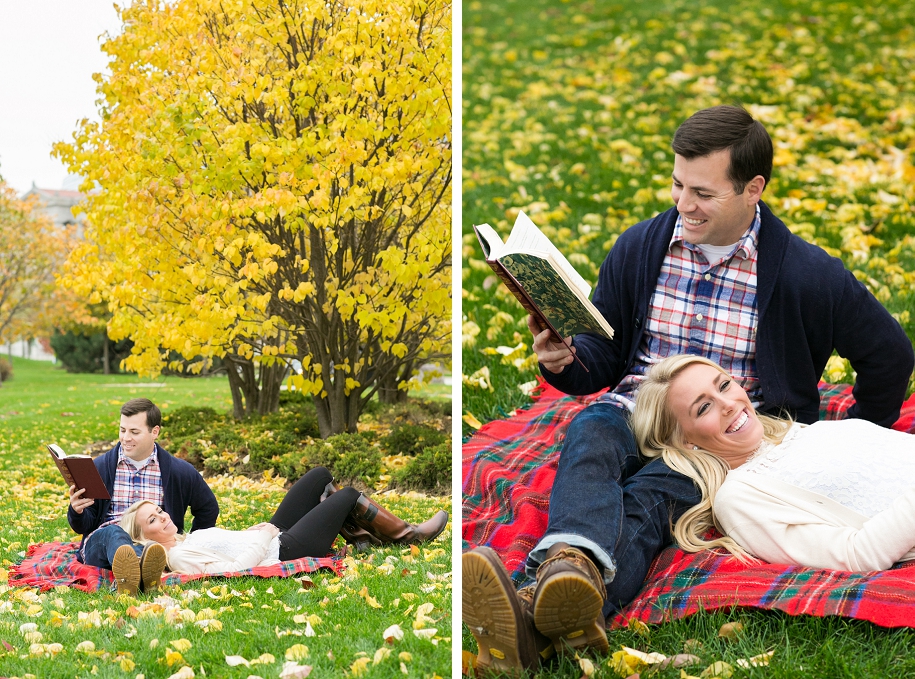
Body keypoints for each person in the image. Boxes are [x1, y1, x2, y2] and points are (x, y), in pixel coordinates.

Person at [462, 104, 914, 674]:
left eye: (701, 192)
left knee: (651, 501)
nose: (682, 204)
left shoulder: (806, 274)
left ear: (753, 189)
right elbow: (602, 356)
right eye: (677, 184)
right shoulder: (641, 247)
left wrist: (859, 429)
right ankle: (569, 565)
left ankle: (536, 606)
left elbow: (890, 354)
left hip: (716, 431)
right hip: (636, 404)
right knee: (590, 436)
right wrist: (564, 359)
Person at [632, 353, 915, 572]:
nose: (729, 403)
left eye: (725, 385)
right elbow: (858, 555)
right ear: (685, 442)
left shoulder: (796, 433)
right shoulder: (738, 498)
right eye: (704, 407)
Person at [119, 466, 449, 574]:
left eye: (159, 511)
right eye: (153, 520)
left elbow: (230, 543)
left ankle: (361, 537)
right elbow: (236, 570)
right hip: (285, 548)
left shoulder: (184, 539)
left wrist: (252, 531)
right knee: (347, 496)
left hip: (270, 536)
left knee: (321, 476)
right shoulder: (177, 557)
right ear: (145, 538)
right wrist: (269, 533)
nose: (162, 517)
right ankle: (407, 536)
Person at [67, 398, 219, 594]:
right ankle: (137, 573)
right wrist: (77, 511)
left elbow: (208, 508)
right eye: (123, 430)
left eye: (134, 432)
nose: (126, 438)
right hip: (103, 543)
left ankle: (135, 575)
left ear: (154, 432)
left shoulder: (179, 471)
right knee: (115, 532)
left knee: (150, 549)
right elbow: (83, 525)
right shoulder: (100, 467)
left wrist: (190, 542)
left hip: (152, 546)